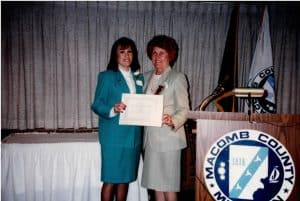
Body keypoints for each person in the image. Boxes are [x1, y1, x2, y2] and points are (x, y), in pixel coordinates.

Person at [91, 37, 144, 201]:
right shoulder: (107, 76)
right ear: (115, 55)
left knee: (125, 179)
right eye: (122, 52)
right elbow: (97, 104)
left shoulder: (139, 78)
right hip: (113, 136)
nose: (126, 55)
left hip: (133, 136)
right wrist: (113, 108)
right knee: (111, 179)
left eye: (130, 52)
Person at [141, 35, 189, 201]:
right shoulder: (145, 77)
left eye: (162, 53)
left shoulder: (177, 77)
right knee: (156, 187)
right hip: (150, 139)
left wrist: (172, 120)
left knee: (168, 187)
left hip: (169, 138)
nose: (157, 57)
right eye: (154, 53)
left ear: (170, 55)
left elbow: (184, 110)